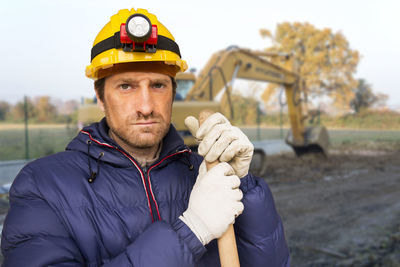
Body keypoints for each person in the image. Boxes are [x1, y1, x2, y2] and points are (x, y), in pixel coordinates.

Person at [1, 8, 289, 266]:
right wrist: (193, 229)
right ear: (101, 98)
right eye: (126, 86)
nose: (146, 106)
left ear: (173, 93)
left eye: (158, 85)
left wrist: (243, 184)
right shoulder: (42, 185)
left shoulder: (205, 172)